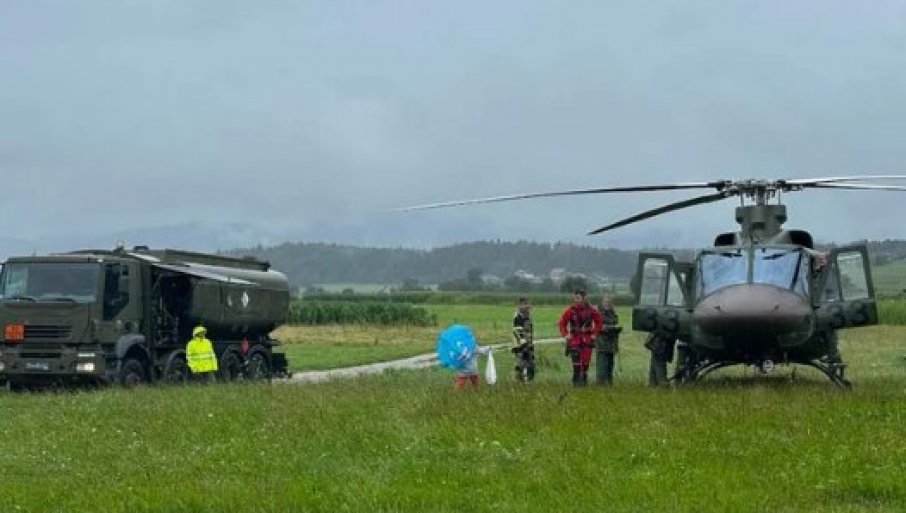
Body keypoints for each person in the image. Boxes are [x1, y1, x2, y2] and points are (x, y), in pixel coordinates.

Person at [558, 289, 602, 386]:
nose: (576, 300)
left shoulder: (591, 309)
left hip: (587, 339)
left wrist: (594, 333)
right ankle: (576, 383)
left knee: (586, 362)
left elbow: (599, 322)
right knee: (576, 362)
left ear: (584, 298)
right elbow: (561, 323)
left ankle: (584, 382)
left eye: (578, 298)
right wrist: (566, 334)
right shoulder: (570, 310)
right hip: (575, 339)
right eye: (575, 298)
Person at [594, 295, 622, 386]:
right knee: (602, 366)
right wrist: (613, 327)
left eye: (609, 302)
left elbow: (616, 323)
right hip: (601, 345)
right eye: (606, 302)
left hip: (611, 344)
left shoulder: (613, 312)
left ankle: (609, 385)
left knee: (610, 366)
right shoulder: (597, 313)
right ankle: (600, 385)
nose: (608, 304)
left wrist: (618, 329)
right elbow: (599, 328)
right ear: (602, 302)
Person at [511, 297, 535, 382]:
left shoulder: (528, 316)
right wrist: (524, 345)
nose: (528, 306)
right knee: (520, 364)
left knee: (530, 364)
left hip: (528, 344)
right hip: (519, 346)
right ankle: (518, 382)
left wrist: (530, 344)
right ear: (520, 305)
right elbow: (518, 332)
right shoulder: (517, 316)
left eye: (528, 304)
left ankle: (528, 382)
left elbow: (529, 331)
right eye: (525, 304)